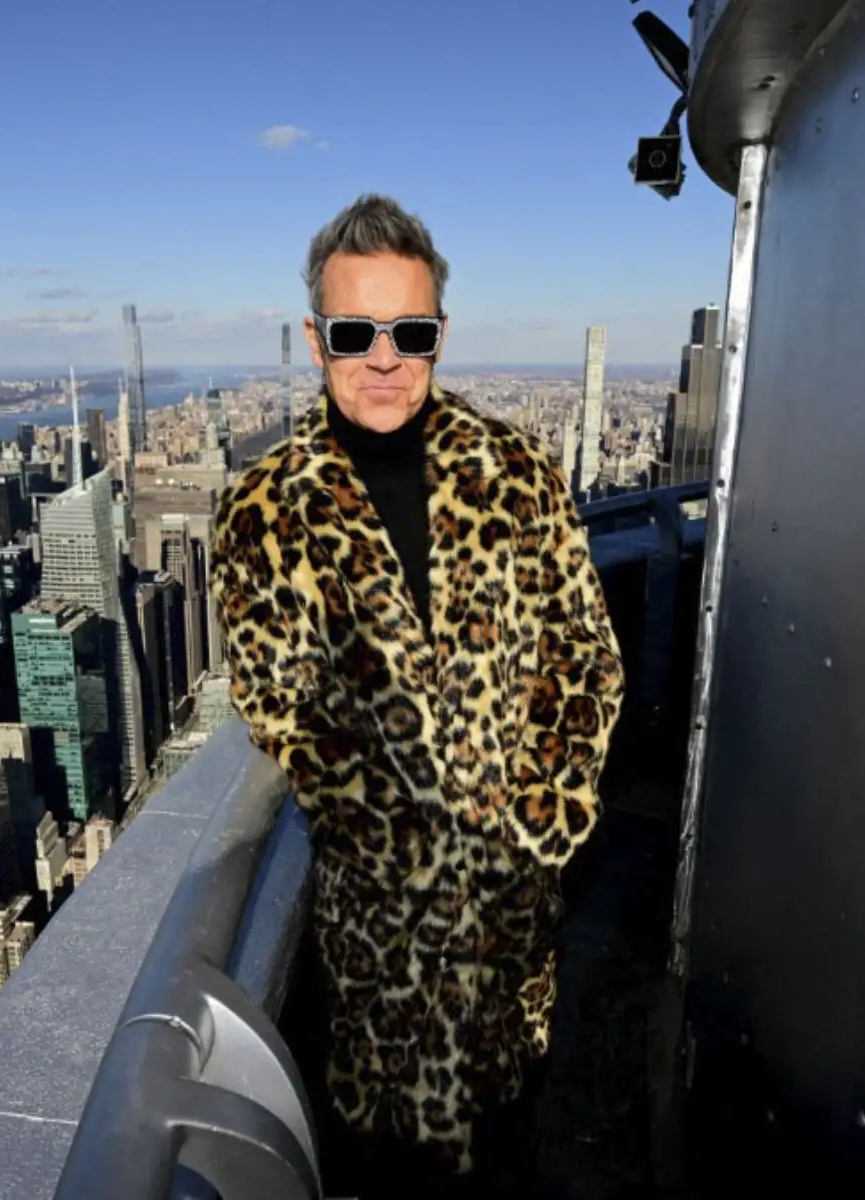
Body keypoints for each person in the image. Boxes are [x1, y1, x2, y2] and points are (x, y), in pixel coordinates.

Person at [210, 194, 624, 1191]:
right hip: (378, 950)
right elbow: (282, 707)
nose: (384, 357)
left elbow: (586, 656)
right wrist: (412, 848)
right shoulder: (264, 515)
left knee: (508, 1140)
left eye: (410, 332)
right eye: (356, 332)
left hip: (513, 921)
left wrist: (539, 819)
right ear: (317, 340)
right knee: (396, 1166)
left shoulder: (517, 476)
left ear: (440, 334)